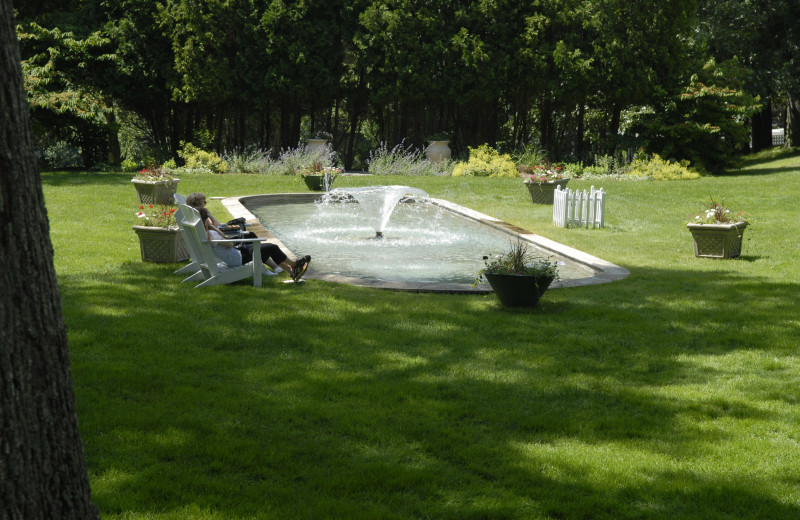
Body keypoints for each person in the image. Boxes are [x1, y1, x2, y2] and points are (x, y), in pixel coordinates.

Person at [199, 207, 311, 282]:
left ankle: (292, 271)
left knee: (265, 247)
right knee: (272, 247)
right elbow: (230, 244)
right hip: (238, 258)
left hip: (237, 255)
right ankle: (294, 266)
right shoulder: (212, 234)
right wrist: (214, 228)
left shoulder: (204, 233)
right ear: (205, 220)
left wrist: (212, 228)